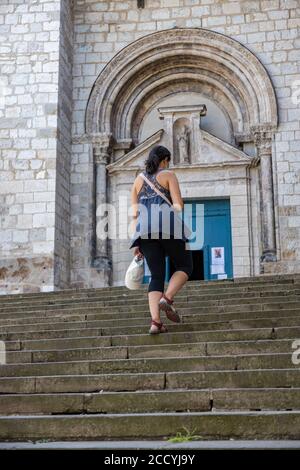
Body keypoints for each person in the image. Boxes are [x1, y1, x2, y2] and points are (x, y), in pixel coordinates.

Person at [130, 145, 193, 334]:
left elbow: (134, 214)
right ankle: (168, 297)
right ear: (164, 160)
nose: (169, 164)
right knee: (185, 265)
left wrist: (137, 242)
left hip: (144, 232)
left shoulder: (137, 181)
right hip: (167, 226)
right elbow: (178, 204)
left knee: (156, 275)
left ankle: (155, 323)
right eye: (168, 161)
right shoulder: (168, 175)